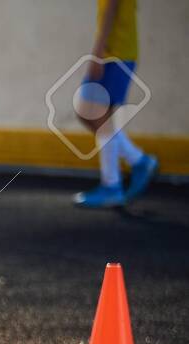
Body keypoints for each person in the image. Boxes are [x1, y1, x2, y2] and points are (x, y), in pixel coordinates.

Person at [73, 0, 158, 209]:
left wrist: (98, 53)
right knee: (97, 117)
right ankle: (131, 166)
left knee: (90, 113)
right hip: (118, 52)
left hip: (115, 54)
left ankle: (119, 179)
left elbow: (111, 8)